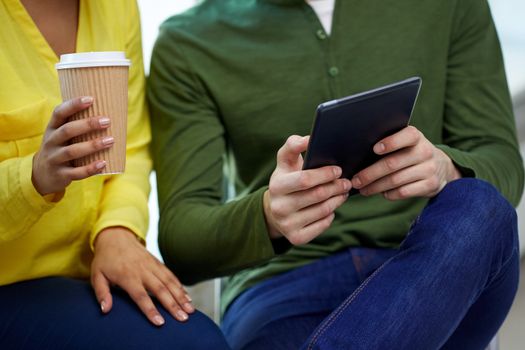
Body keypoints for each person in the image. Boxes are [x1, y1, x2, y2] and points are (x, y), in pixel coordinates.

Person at [148, 0, 523, 349]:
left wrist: (445, 168)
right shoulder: (187, 41)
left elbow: (503, 163)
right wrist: (268, 215)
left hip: (434, 274)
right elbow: (182, 242)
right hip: (284, 293)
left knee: (480, 202)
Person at [0, 0, 229, 349]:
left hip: (81, 280)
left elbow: (131, 146)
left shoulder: (117, 7)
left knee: (197, 340)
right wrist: (32, 177)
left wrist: (118, 231)